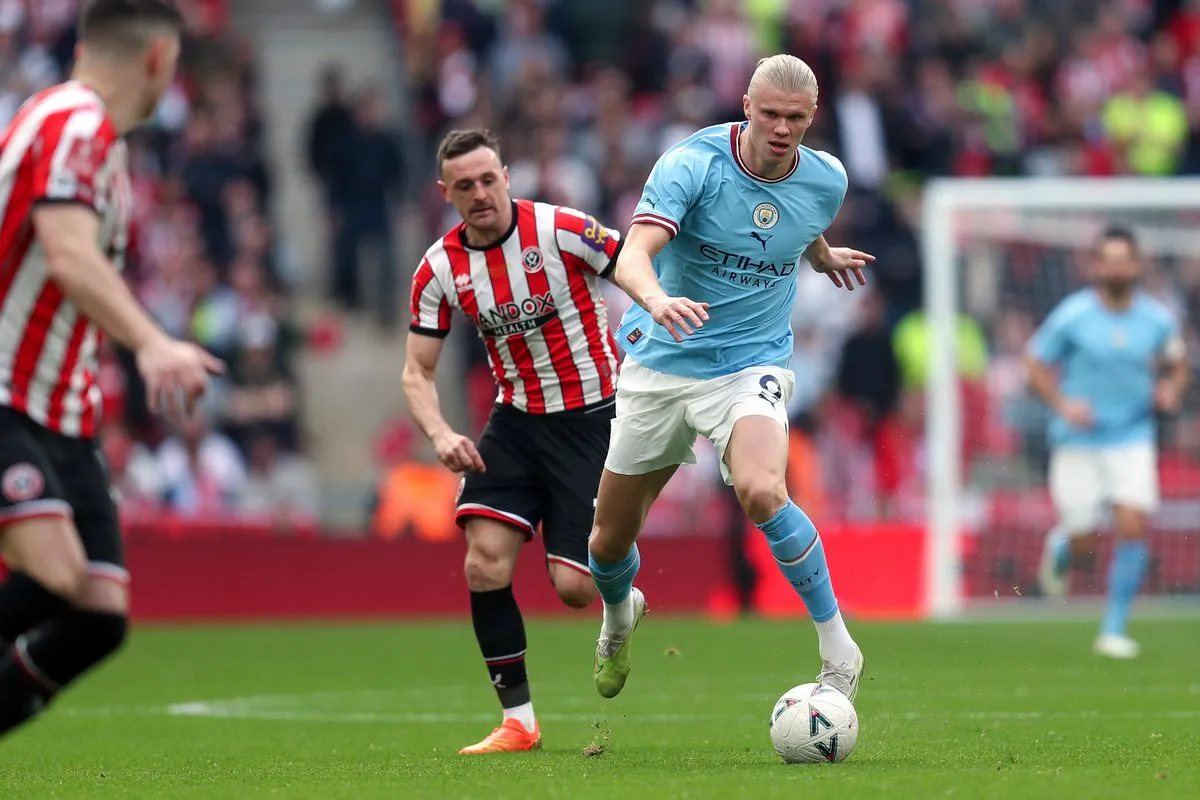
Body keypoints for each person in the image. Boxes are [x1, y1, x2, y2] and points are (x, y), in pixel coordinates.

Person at [586, 54, 874, 703]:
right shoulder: (692, 165)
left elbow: (794, 222)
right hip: (664, 360)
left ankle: (838, 647)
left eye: (794, 119)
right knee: (606, 543)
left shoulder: (828, 179)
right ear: (745, 105)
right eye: (769, 113)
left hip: (751, 363)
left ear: (812, 119)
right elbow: (633, 253)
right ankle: (618, 613)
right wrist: (656, 300)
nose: (780, 129)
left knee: (763, 489)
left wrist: (820, 253)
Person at [0, 0, 224, 740]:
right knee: (57, 574)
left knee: (98, 615)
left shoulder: (100, 141)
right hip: (6, 388)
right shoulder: (74, 122)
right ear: (159, 59)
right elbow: (67, 253)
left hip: (60, 408)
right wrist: (153, 342)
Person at [402, 128, 623, 754]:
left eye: (487, 179)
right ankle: (519, 723)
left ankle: (622, 594)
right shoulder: (439, 269)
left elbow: (633, 265)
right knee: (483, 564)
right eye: (464, 186)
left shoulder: (562, 229)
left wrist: (656, 317)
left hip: (592, 418)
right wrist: (441, 433)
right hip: (517, 421)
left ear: (507, 176)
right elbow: (415, 370)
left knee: (576, 590)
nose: (479, 194)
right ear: (445, 193)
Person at [1029, 225, 1187, 659]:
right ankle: (1063, 543)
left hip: (1132, 436)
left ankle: (1113, 629)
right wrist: (1062, 404)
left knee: (1133, 522)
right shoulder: (1074, 315)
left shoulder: (1156, 318)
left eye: (1125, 259)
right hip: (1078, 440)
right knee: (1085, 544)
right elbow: (1035, 360)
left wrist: (1171, 387)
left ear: (1136, 265)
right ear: (1096, 266)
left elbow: (1177, 361)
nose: (1117, 266)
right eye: (1109, 259)